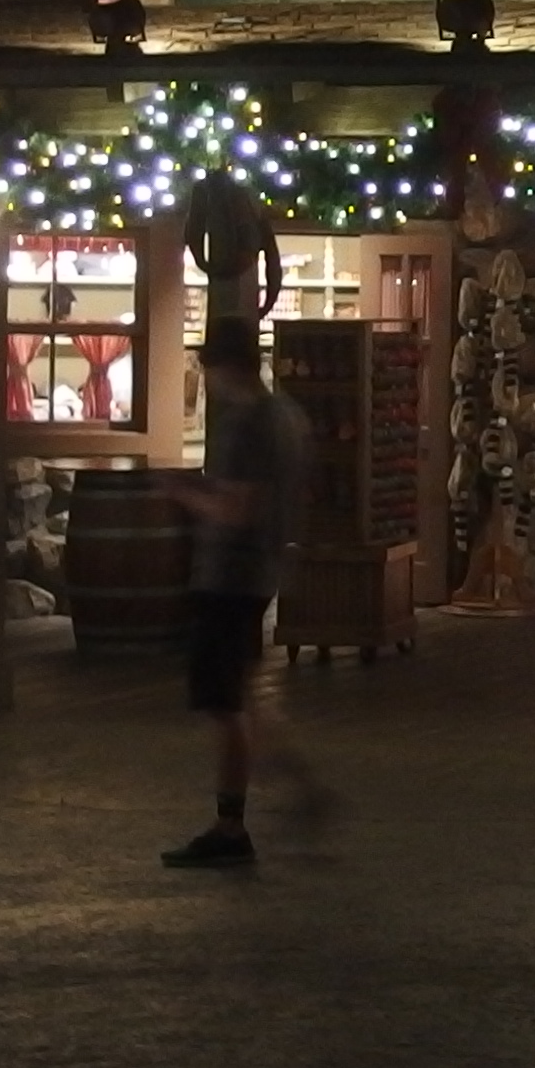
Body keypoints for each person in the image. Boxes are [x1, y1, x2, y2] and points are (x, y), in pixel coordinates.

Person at [163, 321, 316, 868]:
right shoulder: (288, 418)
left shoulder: (246, 424)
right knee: (242, 692)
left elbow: (235, 508)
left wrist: (181, 491)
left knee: (223, 702)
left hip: (228, 575)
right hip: (262, 571)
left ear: (219, 368)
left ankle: (232, 824)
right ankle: (296, 783)